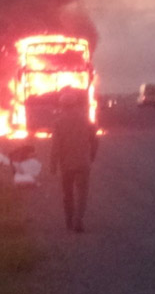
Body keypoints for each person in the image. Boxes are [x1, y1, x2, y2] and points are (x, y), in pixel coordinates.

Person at [51, 89, 99, 233]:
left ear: (62, 105)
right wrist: (91, 156)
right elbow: (94, 140)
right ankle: (78, 220)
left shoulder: (58, 122)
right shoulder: (86, 120)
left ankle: (69, 220)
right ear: (75, 104)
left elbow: (55, 146)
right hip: (83, 163)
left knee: (68, 194)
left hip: (66, 164)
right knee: (82, 194)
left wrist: (53, 164)